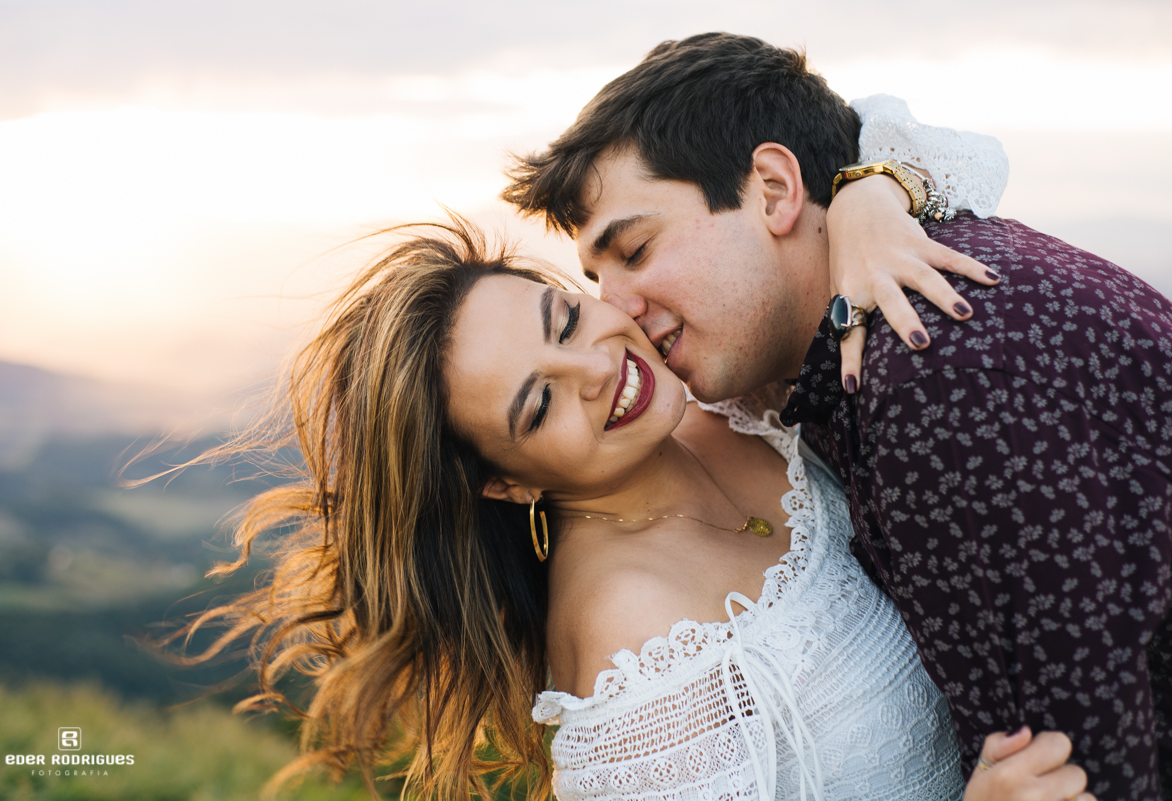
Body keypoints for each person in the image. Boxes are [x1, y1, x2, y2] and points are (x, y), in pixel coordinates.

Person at [156, 213, 1094, 801]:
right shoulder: (632, 658)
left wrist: (870, 199)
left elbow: (870, 139)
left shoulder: (706, 399)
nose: (602, 367)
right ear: (507, 481)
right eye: (540, 401)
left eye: (564, 321)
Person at [501, 32, 1172, 800]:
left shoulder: (934, 380)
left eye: (637, 249)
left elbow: (1080, 769)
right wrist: (873, 185)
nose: (613, 309)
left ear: (777, 190)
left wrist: (872, 183)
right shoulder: (852, 335)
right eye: (594, 277)